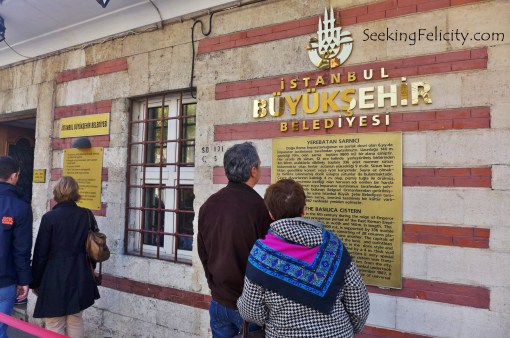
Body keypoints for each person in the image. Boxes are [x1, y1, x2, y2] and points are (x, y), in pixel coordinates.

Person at [237, 179, 370, 338]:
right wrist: (345, 329)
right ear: (304, 210)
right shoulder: (333, 245)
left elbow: (250, 311)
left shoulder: (261, 254)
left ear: (271, 214)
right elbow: (359, 303)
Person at [198, 142, 272, 338]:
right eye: (260, 165)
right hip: (248, 309)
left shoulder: (209, 205)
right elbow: (267, 260)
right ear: (253, 170)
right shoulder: (259, 208)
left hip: (218, 302)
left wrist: (215, 287)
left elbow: (203, 252)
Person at [31, 176, 100, 338]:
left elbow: (41, 254)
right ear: (76, 193)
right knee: (76, 319)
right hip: (80, 273)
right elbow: (93, 248)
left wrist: (35, 281)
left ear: (56, 193)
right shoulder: (86, 215)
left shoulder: (49, 218)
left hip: (54, 276)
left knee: (55, 322)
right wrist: (91, 269)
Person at [0, 156, 32, 338]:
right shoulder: (20, 207)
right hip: (4, 281)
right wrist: (24, 280)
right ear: (13, 176)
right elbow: (22, 250)